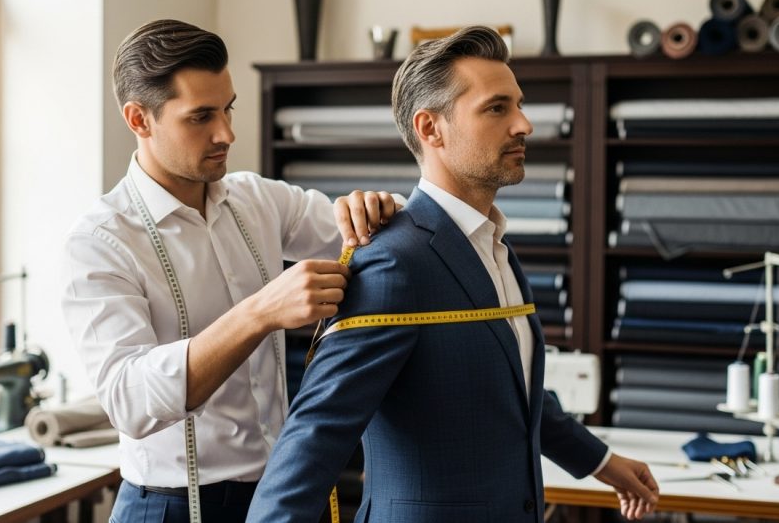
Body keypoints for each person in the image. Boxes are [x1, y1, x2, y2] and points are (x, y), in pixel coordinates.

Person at [247, 26, 660, 522]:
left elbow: (514, 394)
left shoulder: (495, 249)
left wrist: (602, 462)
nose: (524, 124)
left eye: (519, 105)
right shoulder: (393, 261)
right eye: (497, 108)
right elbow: (313, 437)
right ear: (430, 129)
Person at [60, 19, 398, 523]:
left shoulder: (256, 199)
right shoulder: (101, 241)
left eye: (228, 108)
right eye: (201, 117)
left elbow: (372, 232)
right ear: (139, 119)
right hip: (172, 507)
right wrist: (260, 312)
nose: (227, 133)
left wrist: (373, 207)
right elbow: (128, 401)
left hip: (279, 492)